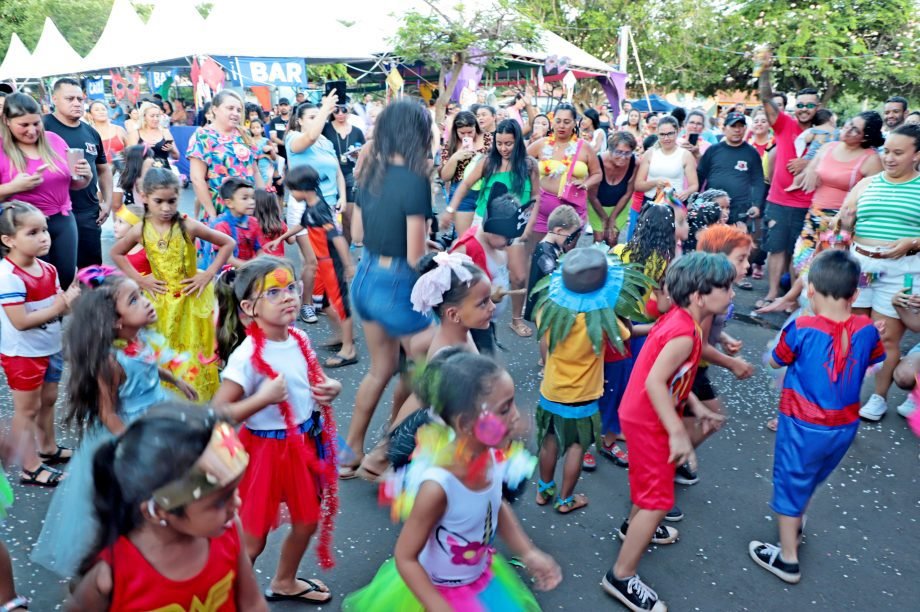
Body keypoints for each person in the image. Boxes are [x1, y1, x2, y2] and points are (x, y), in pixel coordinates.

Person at [342, 351, 561, 610]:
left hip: (481, 582)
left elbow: (495, 505)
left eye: (512, 403)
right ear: (466, 422)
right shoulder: (438, 487)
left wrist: (527, 551)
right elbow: (405, 557)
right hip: (435, 593)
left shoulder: (489, 458)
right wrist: (438, 606)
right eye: (504, 408)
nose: (515, 415)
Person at [31, 270, 197, 577]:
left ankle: (166, 539)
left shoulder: (138, 340)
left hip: (160, 415)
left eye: (142, 294)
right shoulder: (110, 362)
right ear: (115, 322)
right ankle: (130, 557)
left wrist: (175, 380)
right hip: (131, 430)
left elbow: (148, 366)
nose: (146, 303)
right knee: (136, 496)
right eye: (134, 299)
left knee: (169, 485)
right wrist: (133, 447)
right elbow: (108, 413)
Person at [601, 252, 733, 612]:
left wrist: (697, 406)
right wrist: (677, 431)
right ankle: (622, 576)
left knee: (649, 488)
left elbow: (675, 376)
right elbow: (657, 381)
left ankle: (634, 528)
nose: (732, 292)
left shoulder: (677, 320)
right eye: (725, 286)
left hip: (645, 413)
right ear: (699, 296)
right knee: (658, 499)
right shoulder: (685, 334)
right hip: (649, 419)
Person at [749, 250, 885, 585]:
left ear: (810, 291)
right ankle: (796, 519)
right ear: (855, 295)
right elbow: (873, 362)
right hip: (844, 427)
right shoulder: (867, 329)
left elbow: (774, 363)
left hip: (802, 423)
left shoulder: (802, 326)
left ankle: (788, 558)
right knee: (811, 475)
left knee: (789, 479)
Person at [212, 257, 342, 602]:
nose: (287, 297)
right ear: (248, 307)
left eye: (290, 288)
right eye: (273, 292)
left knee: (307, 520)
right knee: (253, 537)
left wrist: (331, 387)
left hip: (304, 446)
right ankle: (225, 598)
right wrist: (262, 399)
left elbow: (312, 380)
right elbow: (218, 413)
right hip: (266, 454)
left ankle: (284, 581)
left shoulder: (298, 337)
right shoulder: (247, 355)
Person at [65, 405, 267, 611]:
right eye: (220, 501)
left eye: (234, 491)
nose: (238, 504)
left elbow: (252, 604)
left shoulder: (230, 531)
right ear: (159, 510)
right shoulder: (111, 576)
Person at [345, 100, 436, 478]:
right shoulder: (415, 181)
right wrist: (438, 255)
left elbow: (358, 234)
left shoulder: (371, 174)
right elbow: (416, 254)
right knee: (433, 367)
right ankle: (384, 451)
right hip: (398, 284)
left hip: (366, 276)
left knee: (380, 370)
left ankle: (349, 453)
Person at [532, 247, 649, 514]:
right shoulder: (602, 319)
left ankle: (543, 490)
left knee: (549, 441)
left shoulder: (548, 313)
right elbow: (625, 334)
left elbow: (543, 332)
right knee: (576, 446)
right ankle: (565, 500)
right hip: (583, 398)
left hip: (551, 391)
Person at [111, 168, 234, 401]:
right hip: (161, 300)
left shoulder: (188, 225)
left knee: (192, 351)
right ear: (144, 197)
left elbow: (227, 243)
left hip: (190, 299)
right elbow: (117, 253)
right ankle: (163, 398)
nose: (166, 208)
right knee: (163, 349)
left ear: (179, 197)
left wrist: (208, 274)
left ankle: (194, 401)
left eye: (172, 201)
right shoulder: (140, 229)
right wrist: (139, 279)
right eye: (159, 201)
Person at [834, 124, 920, 421]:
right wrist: (843, 225)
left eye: (898, 152)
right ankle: (847, 394)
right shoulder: (867, 183)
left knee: (887, 339)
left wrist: (913, 242)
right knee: (855, 334)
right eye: (887, 151)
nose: (890, 158)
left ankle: (878, 397)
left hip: (901, 269)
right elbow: (843, 225)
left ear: (916, 154)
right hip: (863, 266)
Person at [0, 201, 80, 486]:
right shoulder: (8, 277)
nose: (44, 237)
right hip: (23, 354)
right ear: (8, 240)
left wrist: (70, 301)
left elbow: (62, 307)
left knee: (48, 399)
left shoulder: (48, 268)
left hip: (49, 347)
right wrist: (61, 306)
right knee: (27, 409)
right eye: (32, 232)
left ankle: (47, 448)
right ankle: (29, 467)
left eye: (44, 230)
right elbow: (20, 321)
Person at [442, 119, 538, 337]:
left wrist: (529, 223)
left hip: (515, 225)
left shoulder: (529, 164)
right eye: (500, 143)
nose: (504, 148)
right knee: (475, 273)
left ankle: (516, 319)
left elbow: (535, 195)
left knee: (519, 276)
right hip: (486, 224)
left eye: (509, 143)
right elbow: (465, 185)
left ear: (518, 143)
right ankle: (473, 318)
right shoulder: (488, 162)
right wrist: (450, 209)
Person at [0, 93, 93, 288]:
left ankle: (56, 317)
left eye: (36, 123)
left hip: (63, 219)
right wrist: (13, 187)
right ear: (7, 122)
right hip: (21, 227)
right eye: (24, 125)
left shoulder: (54, 140)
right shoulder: (2, 149)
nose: (32, 131)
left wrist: (86, 177)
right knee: (33, 284)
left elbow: (72, 183)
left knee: (65, 277)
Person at [268, 165, 357, 368]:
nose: (291, 194)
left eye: (293, 190)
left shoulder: (319, 209)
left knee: (341, 306)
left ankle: (349, 349)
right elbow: (302, 224)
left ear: (305, 189)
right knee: (325, 304)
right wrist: (281, 238)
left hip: (331, 264)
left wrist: (347, 264)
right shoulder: (311, 206)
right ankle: (342, 336)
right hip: (322, 264)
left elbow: (337, 238)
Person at [756, 51, 820, 306]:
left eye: (809, 105)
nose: (804, 109)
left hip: (809, 203)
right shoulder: (784, 125)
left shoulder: (826, 133)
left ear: (818, 108)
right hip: (780, 200)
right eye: (800, 105)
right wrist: (764, 70)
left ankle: (791, 299)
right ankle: (772, 294)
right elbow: (766, 98)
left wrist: (808, 162)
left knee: (800, 253)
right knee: (776, 249)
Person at [789, 111, 883, 272]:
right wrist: (809, 171)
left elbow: (874, 197)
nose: (847, 129)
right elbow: (805, 176)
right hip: (815, 212)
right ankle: (796, 297)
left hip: (842, 220)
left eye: (855, 129)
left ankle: (810, 297)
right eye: (848, 123)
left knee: (828, 267)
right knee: (801, 258)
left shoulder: (871, 159)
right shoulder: (828, 147)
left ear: (865, 137)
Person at [285, 97, 344, 324]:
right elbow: (309, 136)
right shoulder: (293, 138)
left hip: (327, 206)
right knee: (311, 260)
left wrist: (343, 198)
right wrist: (325, 110)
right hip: (302, 206)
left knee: (327, 258)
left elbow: (338, 171)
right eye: (311, 117)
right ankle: (306, 304)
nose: (316, 120)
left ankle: (321, 301)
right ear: (299, 121)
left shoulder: (326, 143)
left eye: (318, 116)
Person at [44, 78, 113, 270]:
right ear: (55, 99)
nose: (76, 103)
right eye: (70, 99)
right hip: (52, 213)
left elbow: (104, 168)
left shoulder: (90, 132)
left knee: (91, 271)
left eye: (80, 99)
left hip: (87, 212)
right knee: (56, 272)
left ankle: (91, 301)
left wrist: (107, 203)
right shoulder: (41, 128)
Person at [187, 90, 264, 220]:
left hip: (248, 211)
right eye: (230, 108)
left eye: (239, 110)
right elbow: (197, 179)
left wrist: (264, 203)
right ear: (215, 110)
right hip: (219, 210)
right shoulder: (203, 136)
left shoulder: (244, 134)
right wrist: (212, 213)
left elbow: (255, 171)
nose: (235, 113)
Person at [527, 103, 602, 236]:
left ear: (574, 123)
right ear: (552, 122)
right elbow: (520, 162)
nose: (562, 126)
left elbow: (597, 174)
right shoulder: (542, 144)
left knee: (565, 255)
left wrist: (585, 184)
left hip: (572, 210)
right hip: (541, 210)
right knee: (538, 253)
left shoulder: (584, 147)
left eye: (567, 122)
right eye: (558, 121)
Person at [696, 111, 766, 228]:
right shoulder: (713, 150)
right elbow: (700, 175)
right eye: (733, 126)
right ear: (724, 129)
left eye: (740, 126)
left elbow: (758, 180)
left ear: (745, 129)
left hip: (740, 208)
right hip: (713, 207)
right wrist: (695, 200)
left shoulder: (752, 153)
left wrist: (756, 204)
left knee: (735, 243)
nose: (737, 130)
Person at [524, 204, 581, 323]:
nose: (571, 241)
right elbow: (555, 277)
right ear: (559, 231)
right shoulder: (544, 252)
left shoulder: (556, 245)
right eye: (570, 237)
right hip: (544, 305)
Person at [439, 110, 492, 238]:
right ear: (455, 131)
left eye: (470, 132)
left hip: (485, 189)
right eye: (462, 133)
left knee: (484, 234)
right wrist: (455, 158)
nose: (466, 136)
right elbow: (445, 177)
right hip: (461, 191)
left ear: (476, 128)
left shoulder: (488, 139)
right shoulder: (450, 145)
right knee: (463, 237)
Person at [323, 103, 366, 244]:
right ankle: (332, 250)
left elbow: (365, 153)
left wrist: (358, 155)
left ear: (349, 110)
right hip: (329, 176)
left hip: (349, 174)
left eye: (344, 110)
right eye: (336, 110)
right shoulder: (325, 129)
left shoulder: (357, 131)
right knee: (327, 218)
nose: (340, 113)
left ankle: (345, 249)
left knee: (349, 216)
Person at [634, 115, 699, 209]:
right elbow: (638, 185)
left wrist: (686, 192)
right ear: (657, 134)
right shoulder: (649, 153)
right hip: (651, 203)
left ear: (677, 132)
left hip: (674, 203)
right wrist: (654, 183)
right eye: (662, 134)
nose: (666, 138)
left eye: (670, 134)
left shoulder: (685, 155)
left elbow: (694, 185)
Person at [588, 131, 638, 246]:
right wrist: (605, 218)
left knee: (612, 239)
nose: (623, 157)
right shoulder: (597, 162)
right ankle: (596, 264)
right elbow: (592, 196)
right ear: (610, 150)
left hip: (620, 205)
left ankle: (611, 264)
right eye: (619, 152)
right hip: (597, 204)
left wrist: (612, 218)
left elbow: (628, 193)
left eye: (627, 153)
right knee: (599, 239)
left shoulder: (635, 163)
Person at [208, 178, 262, 268]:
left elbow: (259, 248)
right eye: (245, 198)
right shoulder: (222, 226)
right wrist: (252, 267)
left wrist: (262, 262)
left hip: (250, 270)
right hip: (229, 275)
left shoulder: (253, 222)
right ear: (229, 203)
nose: (252, 202)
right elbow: (227, 259)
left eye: (253, 198)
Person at [127, 102, 178, 171]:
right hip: (144, 174)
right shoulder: (135, 133)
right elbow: (130, 158)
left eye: (157, 116)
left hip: (165, 174)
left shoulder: (165, 132)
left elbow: (176, 156)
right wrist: (143, 149)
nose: (156, 119)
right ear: (144, 117)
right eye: (152, 116)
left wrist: (171, 149)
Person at [88, 101, 127, 174]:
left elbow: (131, 152)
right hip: (98, 175)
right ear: (90, 115)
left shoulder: (119, 130)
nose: (101, 112)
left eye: (103, 109)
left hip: (121, 173)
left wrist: (123, 154)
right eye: (97, 110)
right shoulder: (88, 133)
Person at [111, 144, 154, 210]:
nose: (153, 161)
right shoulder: (137, 179)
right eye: (150, 158)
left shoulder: (130, 177)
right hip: (133, 215)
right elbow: (116, 205)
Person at [112, 204, 150, 274]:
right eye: (116, 221)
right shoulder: (120, 248)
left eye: (120, 222)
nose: (115, 225)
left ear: (135, 227)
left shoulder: (147, 251)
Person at [252, 187, 286, 258]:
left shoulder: (251, 225)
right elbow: (292, 240)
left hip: (258, 263)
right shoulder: (280, 223)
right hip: (278, 264)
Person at [248, 118, 276, 186]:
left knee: (266, 187)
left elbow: (274, 157)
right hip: (253, 167)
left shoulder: (266, 141)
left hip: (265, 166)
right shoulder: (249, 141)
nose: (255, 129)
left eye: (257, 127)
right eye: (253, 128)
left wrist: (270, 150)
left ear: (262, 129)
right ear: (250, 130)